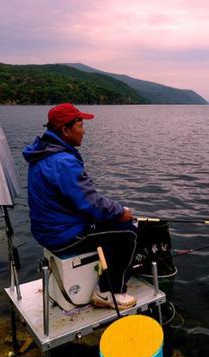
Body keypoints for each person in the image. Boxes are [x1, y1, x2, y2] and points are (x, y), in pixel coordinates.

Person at [23, 103, 137, 309]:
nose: (84, 131)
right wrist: (121, 212)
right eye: (80, 126)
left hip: (47, 231)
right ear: (65, 130)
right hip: (63, 236)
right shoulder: (62, 162)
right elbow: (91, 202)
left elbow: (80, 200)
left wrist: (112, 213)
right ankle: (108, 292)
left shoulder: (42, 154)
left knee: (110, 223)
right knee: (129, 232)